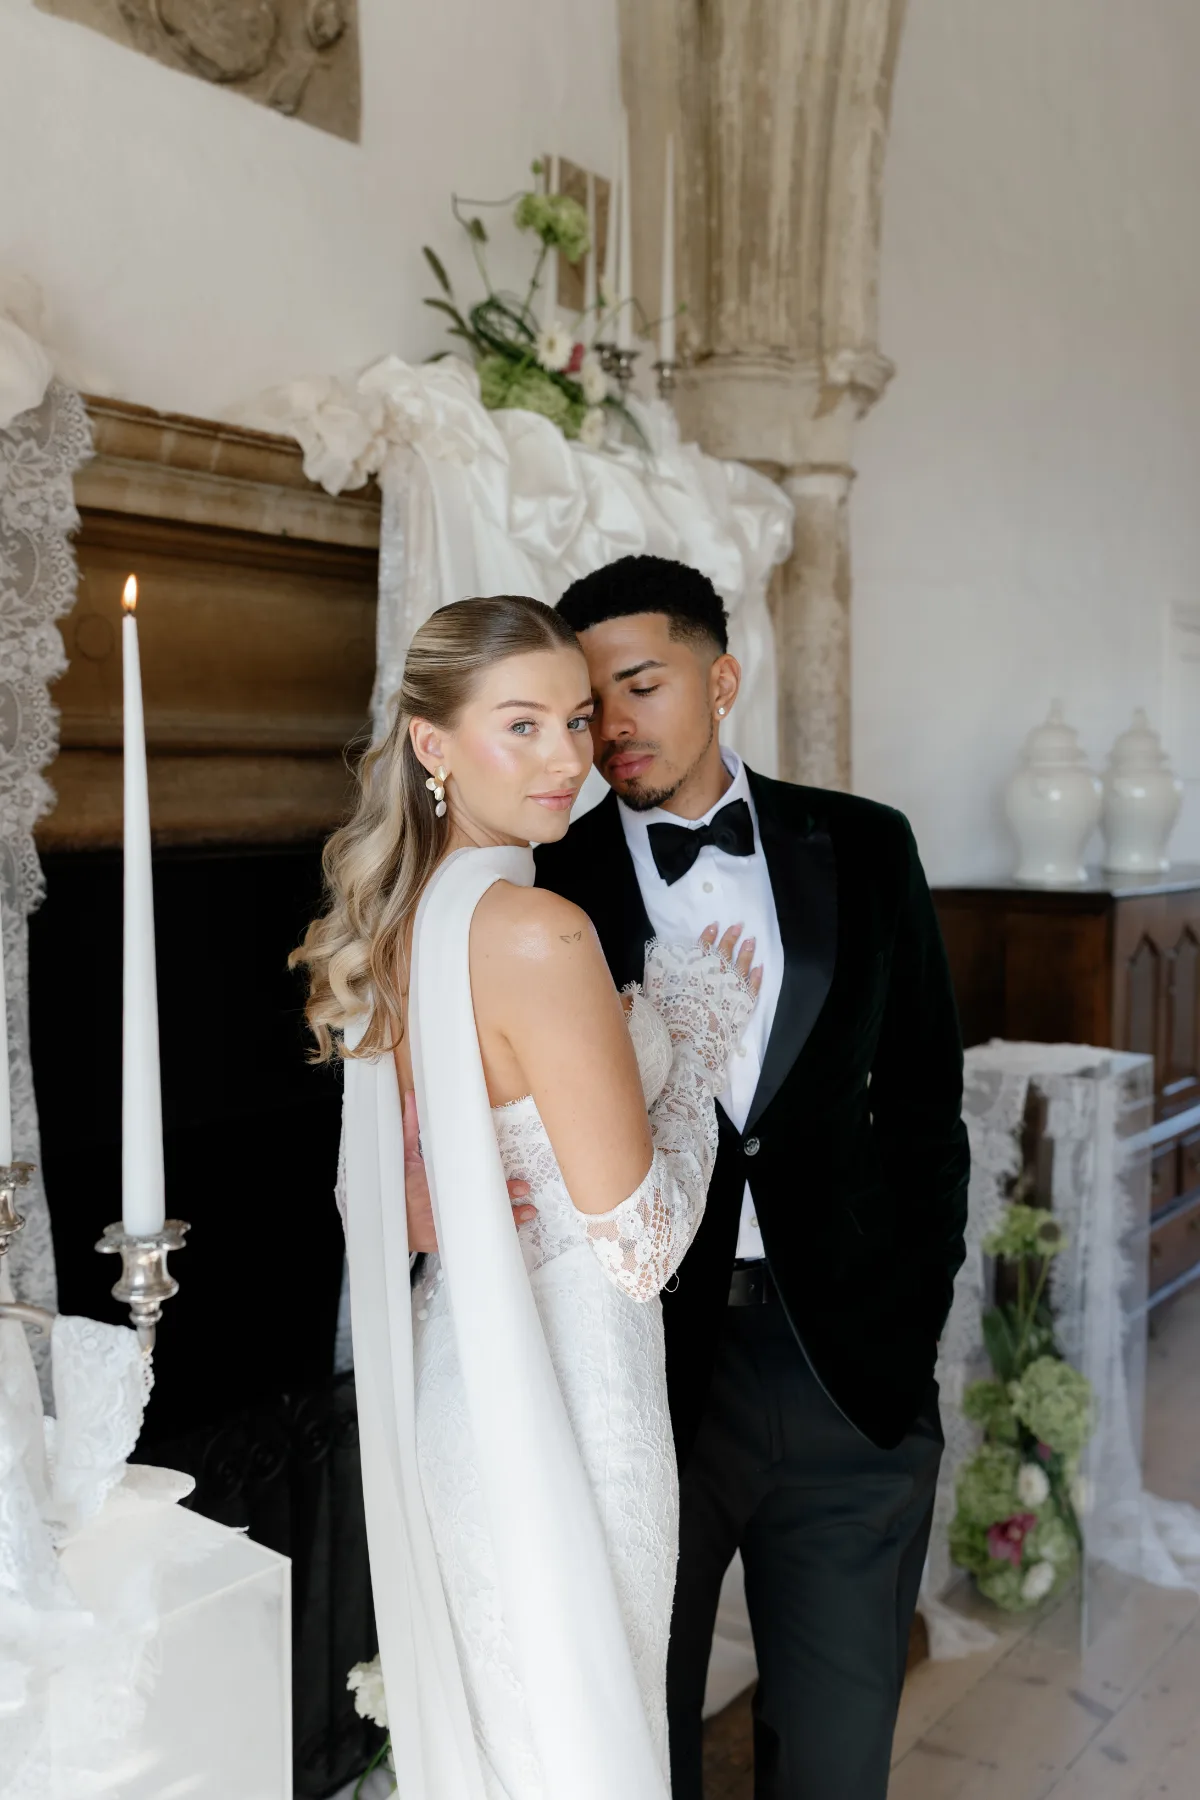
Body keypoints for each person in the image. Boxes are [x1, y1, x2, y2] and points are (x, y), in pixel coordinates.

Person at [292, 594, 758, 1800]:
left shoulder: (396, 922)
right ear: (433, 745)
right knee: (583, 1751)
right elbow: (644, 1241)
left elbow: (385, 1209)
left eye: (577, 721)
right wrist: (694, 1052)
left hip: (463, 1383)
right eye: (524, 727)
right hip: (569, 1398)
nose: (571, 760)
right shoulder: (542, 933)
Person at [535, 554, 970, 1800]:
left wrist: (909, 1326)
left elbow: (928, 1111)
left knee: (837, 1766)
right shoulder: (542, 885)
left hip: (847, 1374)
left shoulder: (869, 848)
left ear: (721, 678)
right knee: (633, 1750)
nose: (612, 725)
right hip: (639, 1377)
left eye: (640, 684)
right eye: (586, 702)